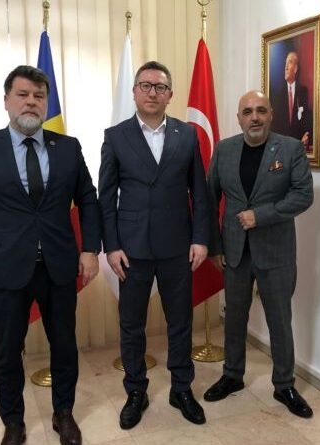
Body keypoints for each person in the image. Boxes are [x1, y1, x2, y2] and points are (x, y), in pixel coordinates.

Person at [0, 65, 101, 445]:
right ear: (6, 101)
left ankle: (63, 413)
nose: (31, 101)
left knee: (64, 345)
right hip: (5, 268)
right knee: (6, 352)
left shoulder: (68, 147)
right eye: (23, 94)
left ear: (46, 103)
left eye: (39, 95)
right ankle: (13, 422)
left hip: (59, 266)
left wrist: (90, 249)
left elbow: (88, 199)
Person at [98, 61, 209, 429]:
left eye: (160, 87)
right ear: (134, 92)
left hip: (178, 246)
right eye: (145, 85)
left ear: (170, 95)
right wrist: (111, 246)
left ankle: (182, 388)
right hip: (131, 250)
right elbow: (105, 197)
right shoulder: (116, 136)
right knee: (132, 325)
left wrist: (200, 238)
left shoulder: (187, 135)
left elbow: (200, 192)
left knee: (181, 321)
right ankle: (135, 391)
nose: (152, 92)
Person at [204, 91, 314, 419]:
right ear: (239, 118)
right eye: (248, 111)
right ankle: (232, 376)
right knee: (234, 318)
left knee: (279, 321)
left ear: (271, 115)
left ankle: (284, 385)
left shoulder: (290, 149)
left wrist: (260, 215)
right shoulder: (224, 150)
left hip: (276, 253)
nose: (255, 117)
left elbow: (303, 195)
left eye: (261, 111)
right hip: (234, 252)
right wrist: (215, 247)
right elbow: (209, 201)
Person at [271, 51, 312, 150]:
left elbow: (306, 119)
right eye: (285, 64)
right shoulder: (277, 94)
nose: (285, 67)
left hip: (298, 146)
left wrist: (306, 136)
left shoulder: (303, 91)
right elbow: (274, 125)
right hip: (281, 147)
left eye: (289, 62)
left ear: (296, 68)